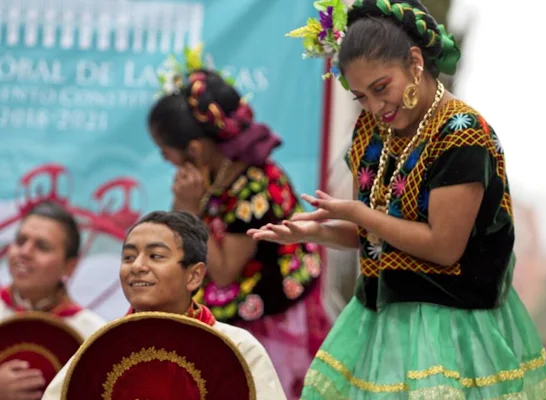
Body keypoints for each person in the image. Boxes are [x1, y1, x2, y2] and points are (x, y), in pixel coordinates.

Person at [250, 0, 546, 398]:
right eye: (361, 97)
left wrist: (360, 214)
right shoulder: (374, 134)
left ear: (415, 61)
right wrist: (317, 231)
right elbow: (379, 235)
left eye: (382, 88)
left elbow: (443, 247)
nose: (377, 107)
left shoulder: (462, 135)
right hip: (381, 320)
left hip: (454, 327)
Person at [147, 51, 330, 398]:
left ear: (196, 149)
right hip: (239, 303)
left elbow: (224, 270)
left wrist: (189, 209)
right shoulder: (215, 171)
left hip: (270, 312)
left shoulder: (253, 185)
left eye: (164, 150)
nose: (163, 159)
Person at [42, 210, 286, 399]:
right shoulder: (100, 348)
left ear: (194, 276)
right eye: (128, 257)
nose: (137, 266)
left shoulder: (238, 348)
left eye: (156, 256)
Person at [0, 201, 105, 400]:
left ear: (69, 266)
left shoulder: (93, 335)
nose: (24, 252)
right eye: (21, 241)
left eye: (42, 246)